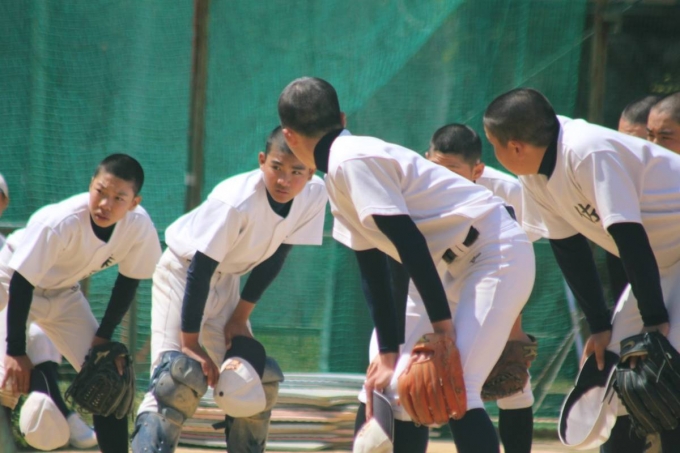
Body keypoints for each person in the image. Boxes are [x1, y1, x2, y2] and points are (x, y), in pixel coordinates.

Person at [278, 77, 535, 453]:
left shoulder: (352, 160)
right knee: (389, 384)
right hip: (441, 266)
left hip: (493, 253)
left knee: (458, 386)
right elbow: (372, 267)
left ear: (289, 135)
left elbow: (409, 242)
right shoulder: (340, 173)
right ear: (342, 118)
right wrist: (388, 353)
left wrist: (442, 330)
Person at [482, 87, 680, 453]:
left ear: (515, 147)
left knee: (663, 371)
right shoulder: (534, 175)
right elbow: (568, 247)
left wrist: (654, 321)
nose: (493, 153)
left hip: (666, 256)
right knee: (617, 368)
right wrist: (600, 326)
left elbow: (628, 235)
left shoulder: (587, 150)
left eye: (493, 144)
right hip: (663, 262)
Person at [131, 126, 328, 453]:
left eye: (296, 171)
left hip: (227, 280)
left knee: (254, 381)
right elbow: (200, 268)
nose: (284, 180)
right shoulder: (235, 200)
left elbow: (278, 254)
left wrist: (239, 317)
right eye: (277, 167)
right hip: (183, 274)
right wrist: (190, 344)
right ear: (262, 161)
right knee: (175, 381)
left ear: (310, 172)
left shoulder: (314, 193)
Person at [0, 154, 162, 453]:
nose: (105, 204)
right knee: (5, 381)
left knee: (106, 376)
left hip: (63, 292)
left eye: (119, 198)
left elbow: (128, 281)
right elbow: (22, 282)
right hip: (9, 281)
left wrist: (103, 337)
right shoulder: (62, 221)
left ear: (134, 202)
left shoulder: (138, 227)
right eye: (100, 191)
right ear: (90, 185)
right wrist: (15, 351)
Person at [423, 123, 537, 453]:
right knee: (436, 380)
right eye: (436, 167)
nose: (442, 177)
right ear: (425, 159)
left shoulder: (507, 189)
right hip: (439, 279)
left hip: (491, 273)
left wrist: (512, 330)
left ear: (477, 171)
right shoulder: (417, 183)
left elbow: (517, 258)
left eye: (453, 170)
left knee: (508, 384)